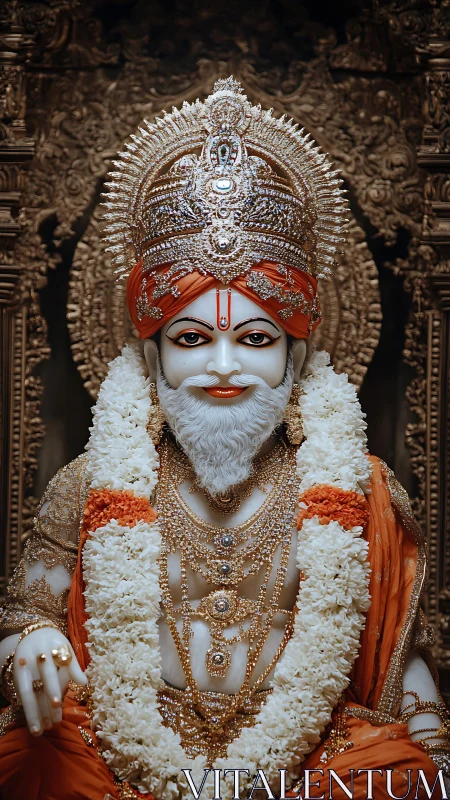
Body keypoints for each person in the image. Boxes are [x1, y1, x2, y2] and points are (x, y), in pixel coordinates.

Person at [0, 77, 448, 800]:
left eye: (256, 338)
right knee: (33, 761)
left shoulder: (360, 488)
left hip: (305, 767)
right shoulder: (89, 483)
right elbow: (26, 612)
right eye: (191, 338)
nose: (223, 366)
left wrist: (431, 740)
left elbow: (404, 653)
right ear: (152, 354)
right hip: (118, 761)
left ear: (295, 353)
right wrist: (30, 644)